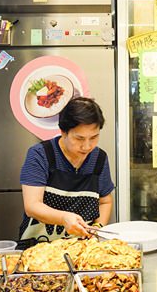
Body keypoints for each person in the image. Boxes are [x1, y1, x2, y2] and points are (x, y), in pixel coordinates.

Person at [18, 97, 114, 249]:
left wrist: (98, 226)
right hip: (38, 249)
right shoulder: (40, 154)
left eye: (94, 137)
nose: (87, 146)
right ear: (63, 132)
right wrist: (63, 218)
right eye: (79, 138)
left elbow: (105, 201)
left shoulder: (99, 158)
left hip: (82, 249)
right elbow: (32, 206)